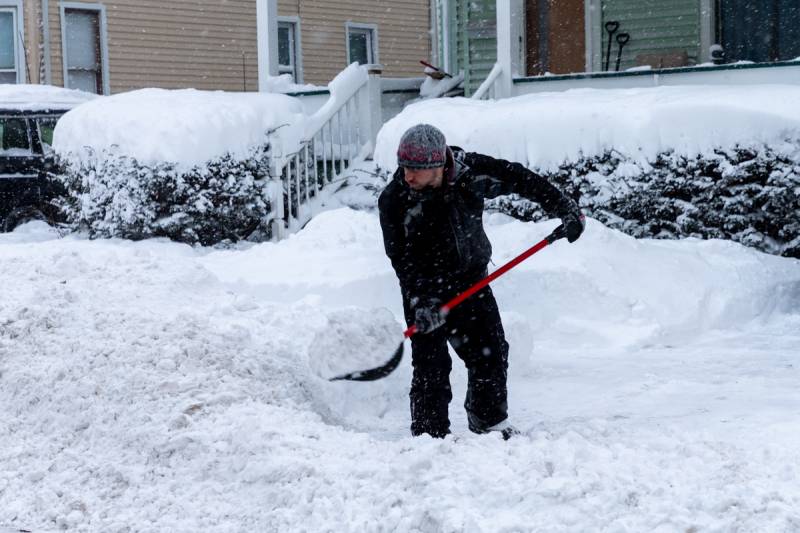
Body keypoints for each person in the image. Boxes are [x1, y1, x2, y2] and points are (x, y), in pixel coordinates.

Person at [378, 124, 585, 440]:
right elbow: (401, 260)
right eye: (405, 167)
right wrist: (421, 301)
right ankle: (429, 437)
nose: (408, 176)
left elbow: (519, 178)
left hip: (470, 282)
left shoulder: (469, 173)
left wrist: (563, 207)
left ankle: (488, 422)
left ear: (438, 165)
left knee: (490, 351)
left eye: (417, 170)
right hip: (425, 290)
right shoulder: (395, 200)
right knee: (430, 365)